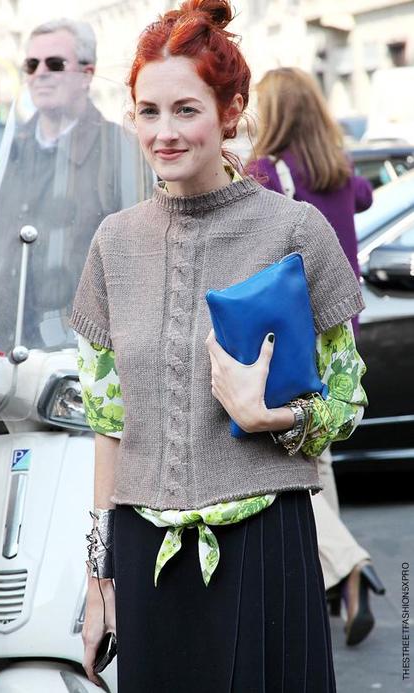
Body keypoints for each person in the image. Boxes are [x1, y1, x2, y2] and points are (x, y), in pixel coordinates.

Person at [71, 2, 368, 690]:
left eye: (185, 110)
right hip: (148, 560)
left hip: (265, 548)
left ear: (231, 111)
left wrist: (278, 418)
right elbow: (108, 426)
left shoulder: (292, 232)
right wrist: (98, 583)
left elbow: (347, 399)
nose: (164, 133)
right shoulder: (114, 243)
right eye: (148, 112)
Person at [247, 66, 385, 646]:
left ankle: (346, 562)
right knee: (318, 457)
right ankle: (335, 583)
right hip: (342, 324)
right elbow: (365, 196)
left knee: (292, 459)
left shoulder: (266, 171)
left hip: (294, 331)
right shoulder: (339, 167)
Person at [0, 18, 128, 351]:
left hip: (75, 356)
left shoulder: (121, 150)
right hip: (0, 347)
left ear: (87, 75)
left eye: (55, 64)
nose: (40, 72)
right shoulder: (10, 150)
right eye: (31, 64)